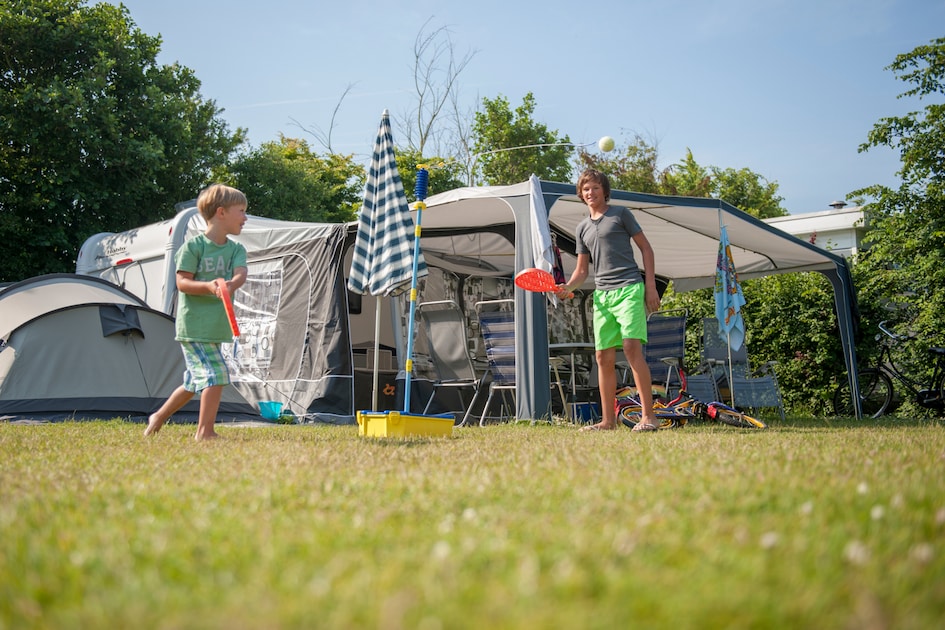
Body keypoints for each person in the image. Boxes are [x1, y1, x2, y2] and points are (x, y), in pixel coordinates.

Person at [556, 169, 661, 431]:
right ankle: (608, 421)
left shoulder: (621, 214)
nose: (590, 193)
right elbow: (582, 271)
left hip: (628, 289)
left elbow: (646, 248)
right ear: (581, 194)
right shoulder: (581, 228)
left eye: (595, 188)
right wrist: (568, 287)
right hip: (602, 296)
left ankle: (649, 417)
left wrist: (650, 287)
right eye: (586, 189)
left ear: (605, 191)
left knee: (630, 349)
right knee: (602, 357)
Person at [144, 184, 248, 440]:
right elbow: (182, 283)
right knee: (216, 374)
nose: (245, 218)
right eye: (241, 211)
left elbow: (240, 274)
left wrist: (231, 284)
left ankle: (158, 417)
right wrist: (209, 286)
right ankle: (205, 432)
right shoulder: (194, 248)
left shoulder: (236, 249)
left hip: (216, 327)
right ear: (221, 212)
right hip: (194, 326)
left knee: (193, 382)